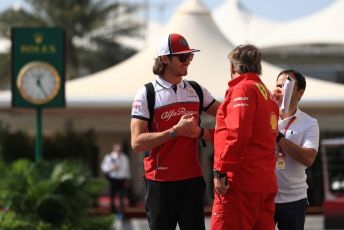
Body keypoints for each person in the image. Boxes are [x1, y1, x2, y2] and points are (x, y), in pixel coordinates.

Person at [130, 33, 220, 230]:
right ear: (164, 59)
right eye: (182, 57)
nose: (187, 61)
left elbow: (229, 116)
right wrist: (174, 131)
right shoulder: (147, 93)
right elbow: (136, 142)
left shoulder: (196, 90)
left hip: (192, 181)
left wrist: (201, 132)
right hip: (160, 183)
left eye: (190, 56)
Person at [211, 44, 279, 230]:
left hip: (240, 183)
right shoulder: (267, 94)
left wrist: (221, 171)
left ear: (233, 66)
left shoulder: (243, 89)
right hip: (263, 182)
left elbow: (238, 134)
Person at [273, 69, 320, 230]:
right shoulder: (265, 116)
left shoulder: (309, 123)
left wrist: (279, 138)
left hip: (293, 200)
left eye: (287, 85)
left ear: (300, 93)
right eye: (278, 85)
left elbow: (308, 159)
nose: (281, 89)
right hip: (265, 196)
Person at [101, 143, 131, 219]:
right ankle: (112, 213)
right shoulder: (109, 157)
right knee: (112, 196)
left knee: (122, 197)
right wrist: (111, 168)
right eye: (117, 149)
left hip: (122, 179)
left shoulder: (124, 157)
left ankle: (121, 213)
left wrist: (127, 179)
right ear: (114, 149)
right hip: (113, 179)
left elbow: (127, 170)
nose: (119, 151)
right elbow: (104, 168)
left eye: (120, 149)